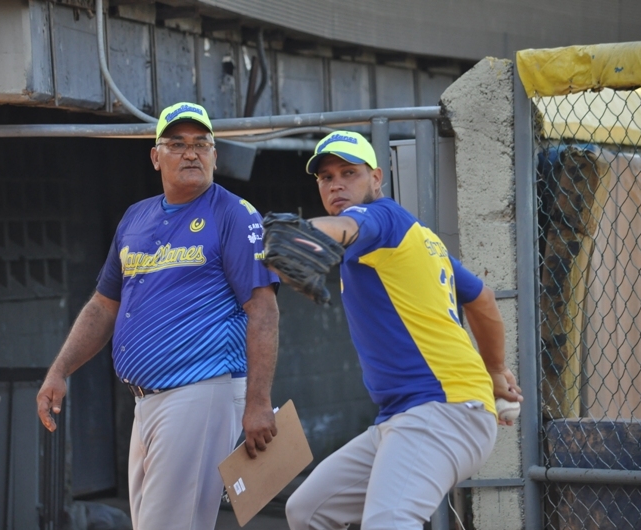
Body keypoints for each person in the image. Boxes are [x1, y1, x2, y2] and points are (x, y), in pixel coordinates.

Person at [36, 102, 280, 530]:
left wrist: (259, 403)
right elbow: (102, 305)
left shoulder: (233, 214)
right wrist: (60, 369)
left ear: (215, 155)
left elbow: (263, 310)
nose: (191, 153)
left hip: (201, 389)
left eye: (202, 143)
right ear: (155, 156)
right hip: (146, 401)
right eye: (177, 144)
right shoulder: (136, 216)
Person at [281, 131, 523, 530]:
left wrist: (301, 237)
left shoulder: (381, 218)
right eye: (326, 177)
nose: (337, 183)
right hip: (405, 416)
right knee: (308, 510)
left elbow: (347, 226)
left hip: (442, 409)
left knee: (390, 522)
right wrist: (495, 371)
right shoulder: (420, 237)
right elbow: (482, 299)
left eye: (349, 172)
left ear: (376, 177)